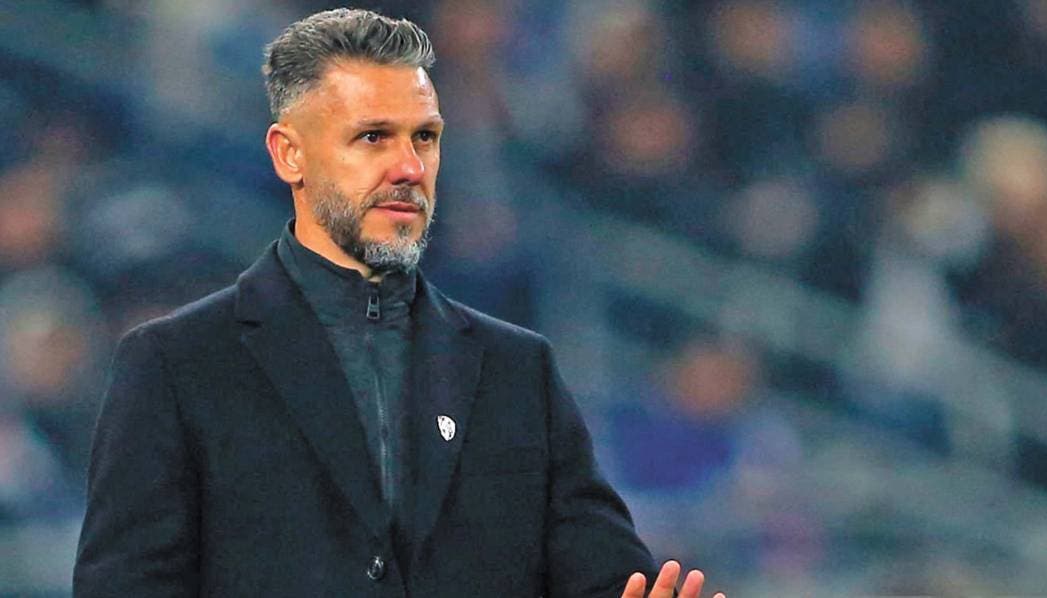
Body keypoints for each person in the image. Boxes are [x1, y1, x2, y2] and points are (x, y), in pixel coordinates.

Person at [72, 8, 723, 598]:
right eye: (373, 138)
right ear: (290, 154)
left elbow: (606, 577)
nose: (409, 168)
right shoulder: (177, 366)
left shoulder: (517, 373)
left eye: (425, 138)